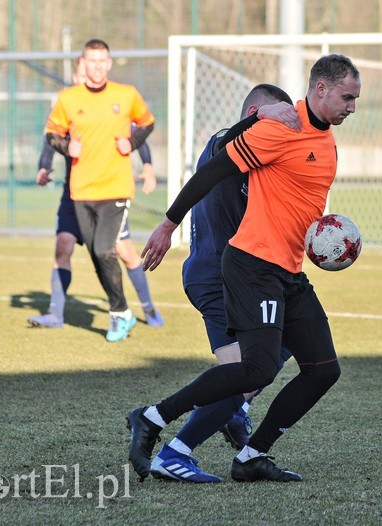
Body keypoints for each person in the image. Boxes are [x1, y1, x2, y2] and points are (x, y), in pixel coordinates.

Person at [127, 54, 360, 484]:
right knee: (257, 368)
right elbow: (213, 168)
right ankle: (155, 418)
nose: (352, 106)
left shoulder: (327, 142)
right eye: (347, 96)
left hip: (287, 270)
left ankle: (251, 455)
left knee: (323, 368)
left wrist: (326, 240)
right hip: (252, 265)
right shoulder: (278, 127)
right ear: (321, 88)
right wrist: (168, 222)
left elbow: (298, 204)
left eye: (356, 98)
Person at [150, 84, 300, 483]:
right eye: (278, 116)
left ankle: (235, 414)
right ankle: (173, 449)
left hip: (234, 277)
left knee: (286, 343)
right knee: (247, 371)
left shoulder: (256, 161)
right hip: (216, 276)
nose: (283, 126)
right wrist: (261, 118)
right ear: (254, 111)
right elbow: (224, 140)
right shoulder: (224, 142)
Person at [28, 58, 163, 330]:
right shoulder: (68, 108)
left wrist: (147, 166)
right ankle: (55, 313)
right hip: (73, 195)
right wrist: (43, 168)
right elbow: (50, 139)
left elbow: (135, 131)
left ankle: (147, 308)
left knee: (123, 252)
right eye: (81, 74)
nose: (85, 79)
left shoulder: (111, 104)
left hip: (107, 194)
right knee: (62, 246)